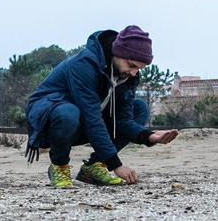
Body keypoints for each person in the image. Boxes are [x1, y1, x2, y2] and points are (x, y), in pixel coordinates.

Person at [25, 26, 179, 188]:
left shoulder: (128, 75)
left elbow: (123, 120)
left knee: (140, 108)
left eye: (139, 69)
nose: (134, 73)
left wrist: (148, 136)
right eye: (131, 65)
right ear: (117, 53)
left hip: (83, 122)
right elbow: (91, 117)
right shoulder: (83, 65)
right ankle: (59, 166)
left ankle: (94, 167)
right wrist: (116, 165)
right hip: (50, 123)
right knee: (68, 113)